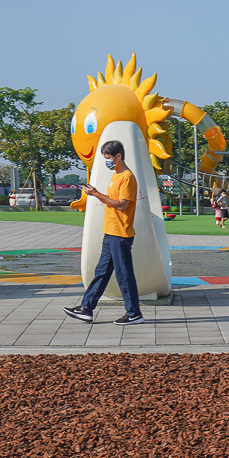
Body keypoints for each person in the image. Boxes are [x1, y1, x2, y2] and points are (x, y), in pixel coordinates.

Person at [63, 140, 145, 326]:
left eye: (108, 158)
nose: (107, 162)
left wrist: (96, 194)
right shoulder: (116, 175)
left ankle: (134, 313)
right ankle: (86, 308)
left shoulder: (127, 177)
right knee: (101, 272)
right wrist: (97, 194)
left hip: (120, 234)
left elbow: (122, 204)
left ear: (118, 156)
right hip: (110, 232)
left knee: (124, 275)